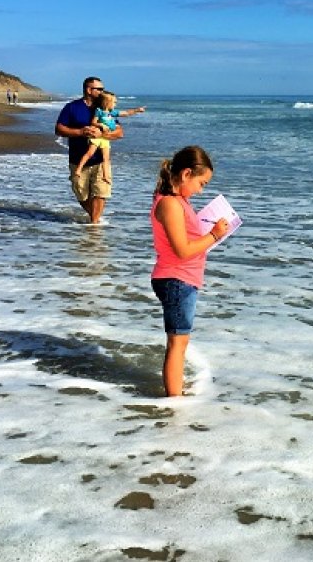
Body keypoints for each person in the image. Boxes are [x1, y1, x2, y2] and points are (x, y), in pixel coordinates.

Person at [150, 146, 229, 397]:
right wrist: (214, 234)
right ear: (186, 174)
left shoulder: (179, 201)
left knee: (179, 342)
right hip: (176, 278)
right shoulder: (171, 204)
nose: (200, 190)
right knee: (177, 344)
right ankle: (175, 403)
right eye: (201, 183)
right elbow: (183, 250)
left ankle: (176, 395)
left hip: (182, 278)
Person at [54, 76, 123, 224]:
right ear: (89, 90)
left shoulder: (105, 109)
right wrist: (81, 132)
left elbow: (119, 132)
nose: (102, 91)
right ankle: (95, 220)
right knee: (82, 195)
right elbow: (59, 129)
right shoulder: (72, 107)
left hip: (100, 160)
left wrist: (103, 134)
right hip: (78, 159)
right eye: (99, 89)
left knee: (101, 192)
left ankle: (94, 226)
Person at [74, 91, 146, 184]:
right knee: (90, 153)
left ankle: (106, 176)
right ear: (107, 102)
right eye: (114, 102)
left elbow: (126, 113)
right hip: (97, 136)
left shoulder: (112, 113)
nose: (116, 104)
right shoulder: (99, 111)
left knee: (106, 158)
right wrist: (101, 125)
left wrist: (137, 110)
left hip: (105, 138)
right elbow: (93, 122)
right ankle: (79, 169)